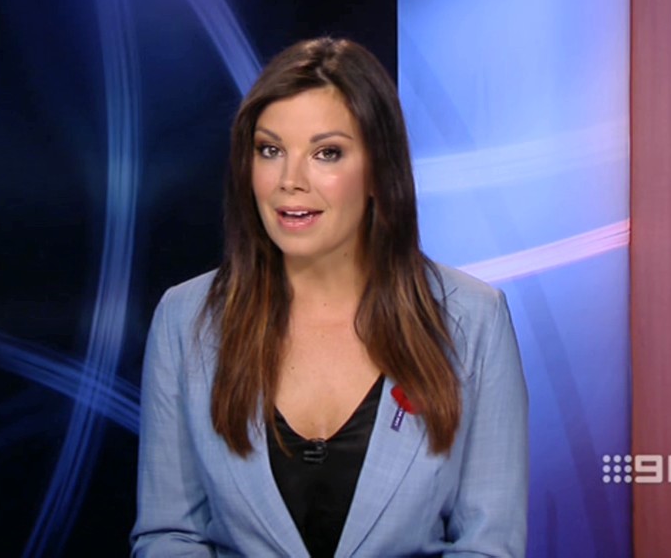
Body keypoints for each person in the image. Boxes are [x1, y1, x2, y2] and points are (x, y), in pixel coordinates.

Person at [131, 37, 528, 557]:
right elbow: (170, 536)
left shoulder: (473, 320)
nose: (290, 181)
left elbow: (487, 546)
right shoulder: (186, 319)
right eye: (270, 150)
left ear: (378, 170)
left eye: (327, 153)